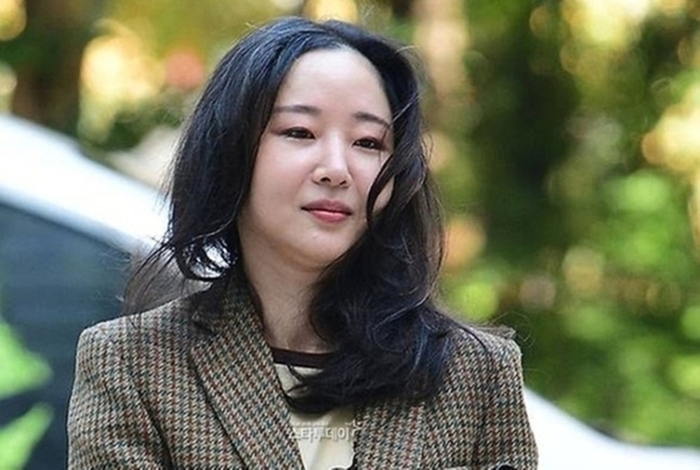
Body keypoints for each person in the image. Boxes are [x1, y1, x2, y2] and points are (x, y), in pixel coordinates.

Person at [67, 16, 537, 469]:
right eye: (299, 132)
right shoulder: (132, 363)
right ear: (231, 151)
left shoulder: (477, 373)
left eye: (368, 142)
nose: (336, 168)